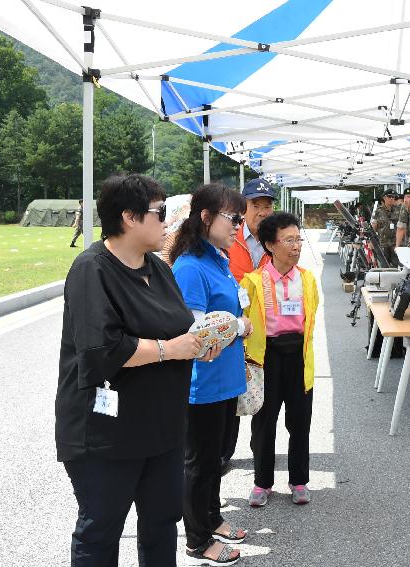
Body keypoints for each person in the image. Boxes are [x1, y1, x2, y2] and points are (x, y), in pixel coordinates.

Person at [56, 173, 211, 566]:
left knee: (162, 524)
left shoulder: (157, 269)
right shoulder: (92, 269)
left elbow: (178, 327)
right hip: (108, 433)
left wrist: (198, 343)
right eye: (160, 213)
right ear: (129, 216)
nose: (168, 222)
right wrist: (170, 349)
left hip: (162, 428)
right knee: (101, 530)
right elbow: (101, 349)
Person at [170, 184, 255, 567]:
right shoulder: (190, 266)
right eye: (233, 218)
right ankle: (197, 538)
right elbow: (197, 332)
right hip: (203, 385)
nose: (239, 226)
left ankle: (213, 517)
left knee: (217, 459)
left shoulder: (218, 258)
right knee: (200, 464)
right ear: (205, 217)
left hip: (225, 380)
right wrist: (239, 325)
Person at [241, 212, 319, 507]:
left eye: (299, 238)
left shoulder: (308, 280)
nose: (297, 245)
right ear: (270, 245)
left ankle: (299, 481)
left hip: (298, 357)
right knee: (264, 422)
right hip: (267, 357)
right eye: (289, 240)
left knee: (300, 422)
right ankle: (262, 482)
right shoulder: (253, 283)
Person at [219, 177, 275, 476]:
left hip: (266, 332)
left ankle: (262, 461)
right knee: (230, 396)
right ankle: (222, 455)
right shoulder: (229, 235)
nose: (263, 211)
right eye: (256, 205)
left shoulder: (276, 239)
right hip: (233, 329)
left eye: (268, 205)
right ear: (244, 207)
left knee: (261, 395)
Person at [371, 188, 400, 266]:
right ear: (384, 198)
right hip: (383, 244)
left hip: (395, 244)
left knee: (396, 266)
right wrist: (371, 242)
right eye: (389, 196)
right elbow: (374, 227)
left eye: (393, 197)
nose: (392, 198)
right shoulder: (378, 211)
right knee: (384, 267)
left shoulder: (398, 210)